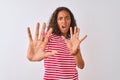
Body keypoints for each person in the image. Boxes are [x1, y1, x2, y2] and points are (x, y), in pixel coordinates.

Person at [27, 6, 87, 80]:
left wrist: (76, 53)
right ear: (56, 21)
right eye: (60, 18)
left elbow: (81, 66)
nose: (64, 21)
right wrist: (32, 56)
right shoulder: (48, 36)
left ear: (71, 21)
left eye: (67, 18)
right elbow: (40, 54)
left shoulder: (73, 40)